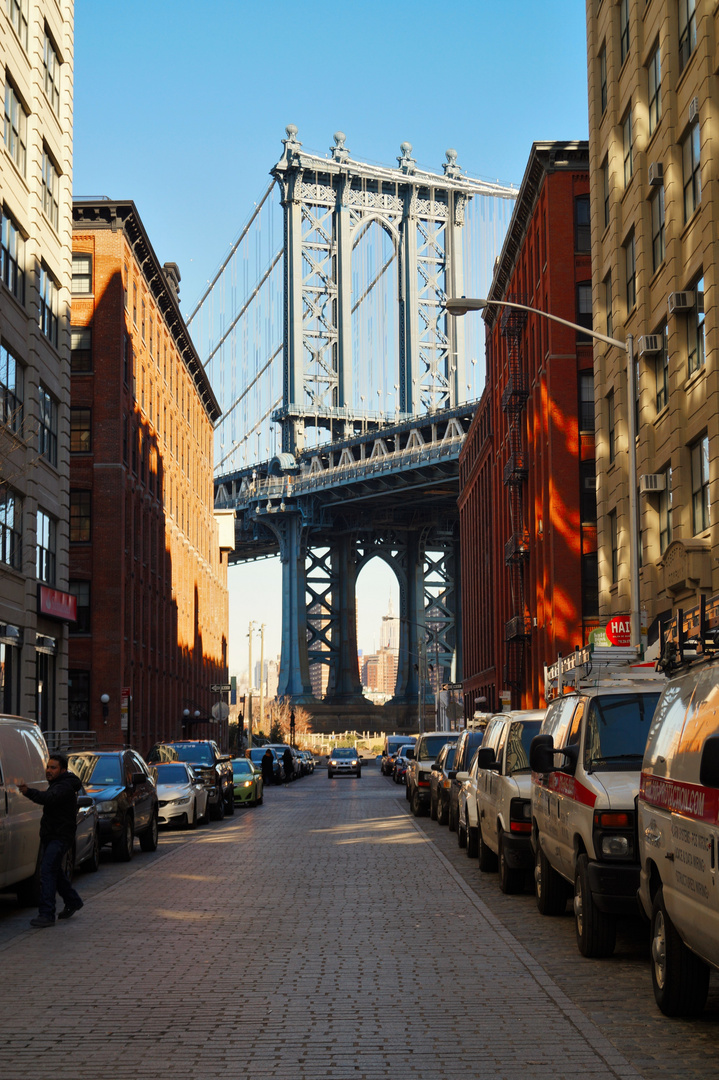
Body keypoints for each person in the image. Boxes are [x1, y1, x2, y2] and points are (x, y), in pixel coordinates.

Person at [17, 753, 84, 928]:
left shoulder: (63, 787)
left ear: (62, 770)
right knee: (54, 871)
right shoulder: (59, 784)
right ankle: (73, 900)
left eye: (53, 768)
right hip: (52, 835)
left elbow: (49, 798)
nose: (48, 770)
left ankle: (47, 914)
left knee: (46, 871)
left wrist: (28, 791)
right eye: (48, 767)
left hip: (59, 837)